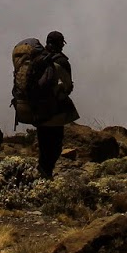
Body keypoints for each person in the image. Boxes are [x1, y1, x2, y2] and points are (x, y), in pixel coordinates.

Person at [34, 30, 78, 178]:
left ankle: (42, 175)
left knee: (43, 147)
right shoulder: (61, 61)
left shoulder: (37, 59)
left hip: (37, 111)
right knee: (55, 147)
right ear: (61, 44)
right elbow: (67, 86)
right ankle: (45, 176)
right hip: (54, 112)